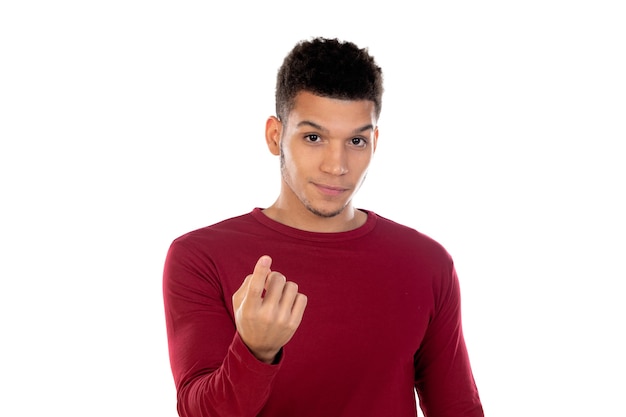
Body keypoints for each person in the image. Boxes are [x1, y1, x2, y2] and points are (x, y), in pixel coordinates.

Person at [163, 37, 484, 417]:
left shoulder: (427, 263)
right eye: (313, 137)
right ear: (274, 136)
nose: (337, 164)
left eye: (356, 140)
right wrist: (255, 352)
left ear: (375, 142)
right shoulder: (200, 257)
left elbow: (457, 409)